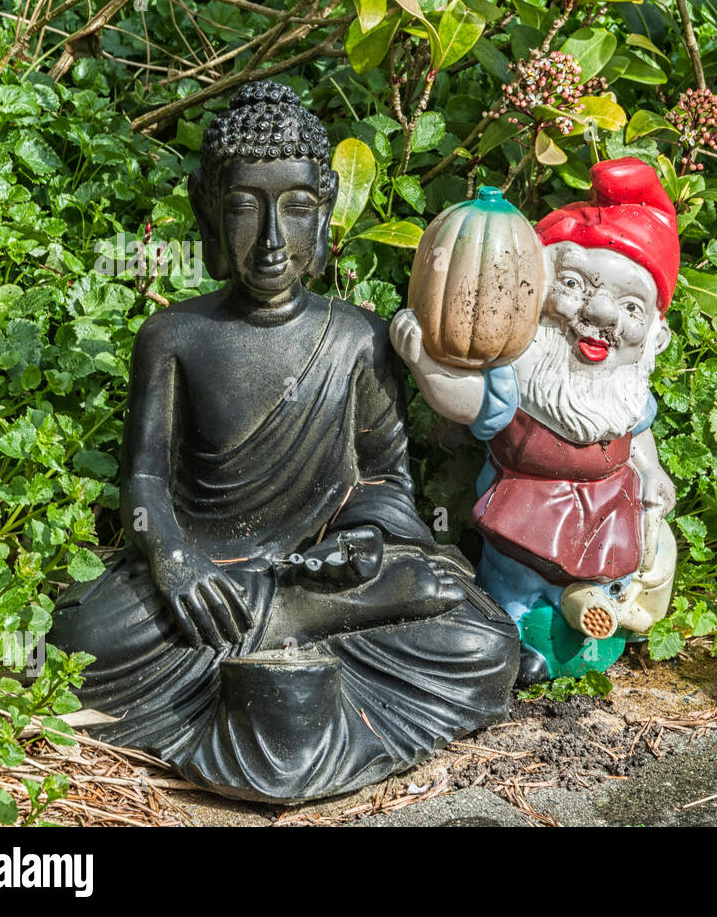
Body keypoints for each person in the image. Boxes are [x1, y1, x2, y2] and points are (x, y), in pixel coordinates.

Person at [51, 82, 519, 804]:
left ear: (325, 215)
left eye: (297, 208)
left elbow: (384, 480)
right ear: (207, 212)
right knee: (75, 637)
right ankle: (303, 619)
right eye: (243, 207)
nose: (271, 240)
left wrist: (364, 542)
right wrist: (175, 562)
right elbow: (143, 485)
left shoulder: (357, 337)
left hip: (318, 571)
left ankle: (305, 611)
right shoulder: (174, 336)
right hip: (207, 574)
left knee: (481, 640)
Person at [393, 157, 679, 685]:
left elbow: (639, 440)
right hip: (526, 513)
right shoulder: (518, 382)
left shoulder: (627, 394)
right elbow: (466, 400)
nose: (599, 315)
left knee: (615, 578)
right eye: (573, 284)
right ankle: (513, 632)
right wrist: (426, 366)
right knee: (514, 584)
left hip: (607, 515)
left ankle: (599, 622)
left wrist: (653, 473)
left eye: (631, 308)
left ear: (655, 336)